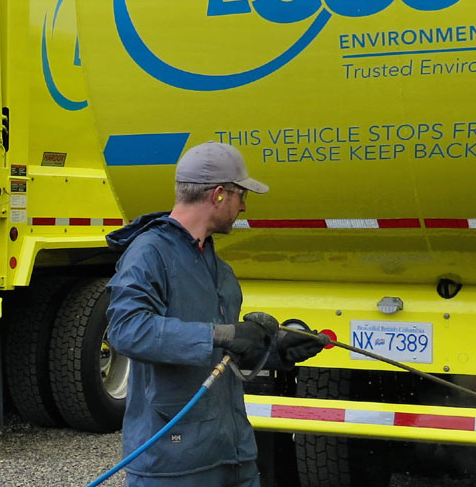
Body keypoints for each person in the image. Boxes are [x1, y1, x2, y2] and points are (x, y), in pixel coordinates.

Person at [104, 142, 327, 486]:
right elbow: (128, 330)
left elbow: (225, 356)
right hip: (173, 463)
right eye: (241, 196)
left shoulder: (220, 270)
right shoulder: (149, 253)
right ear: (219, 194)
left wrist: (276, 349)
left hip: (233, 454)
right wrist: (220, 334)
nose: (245, 206)